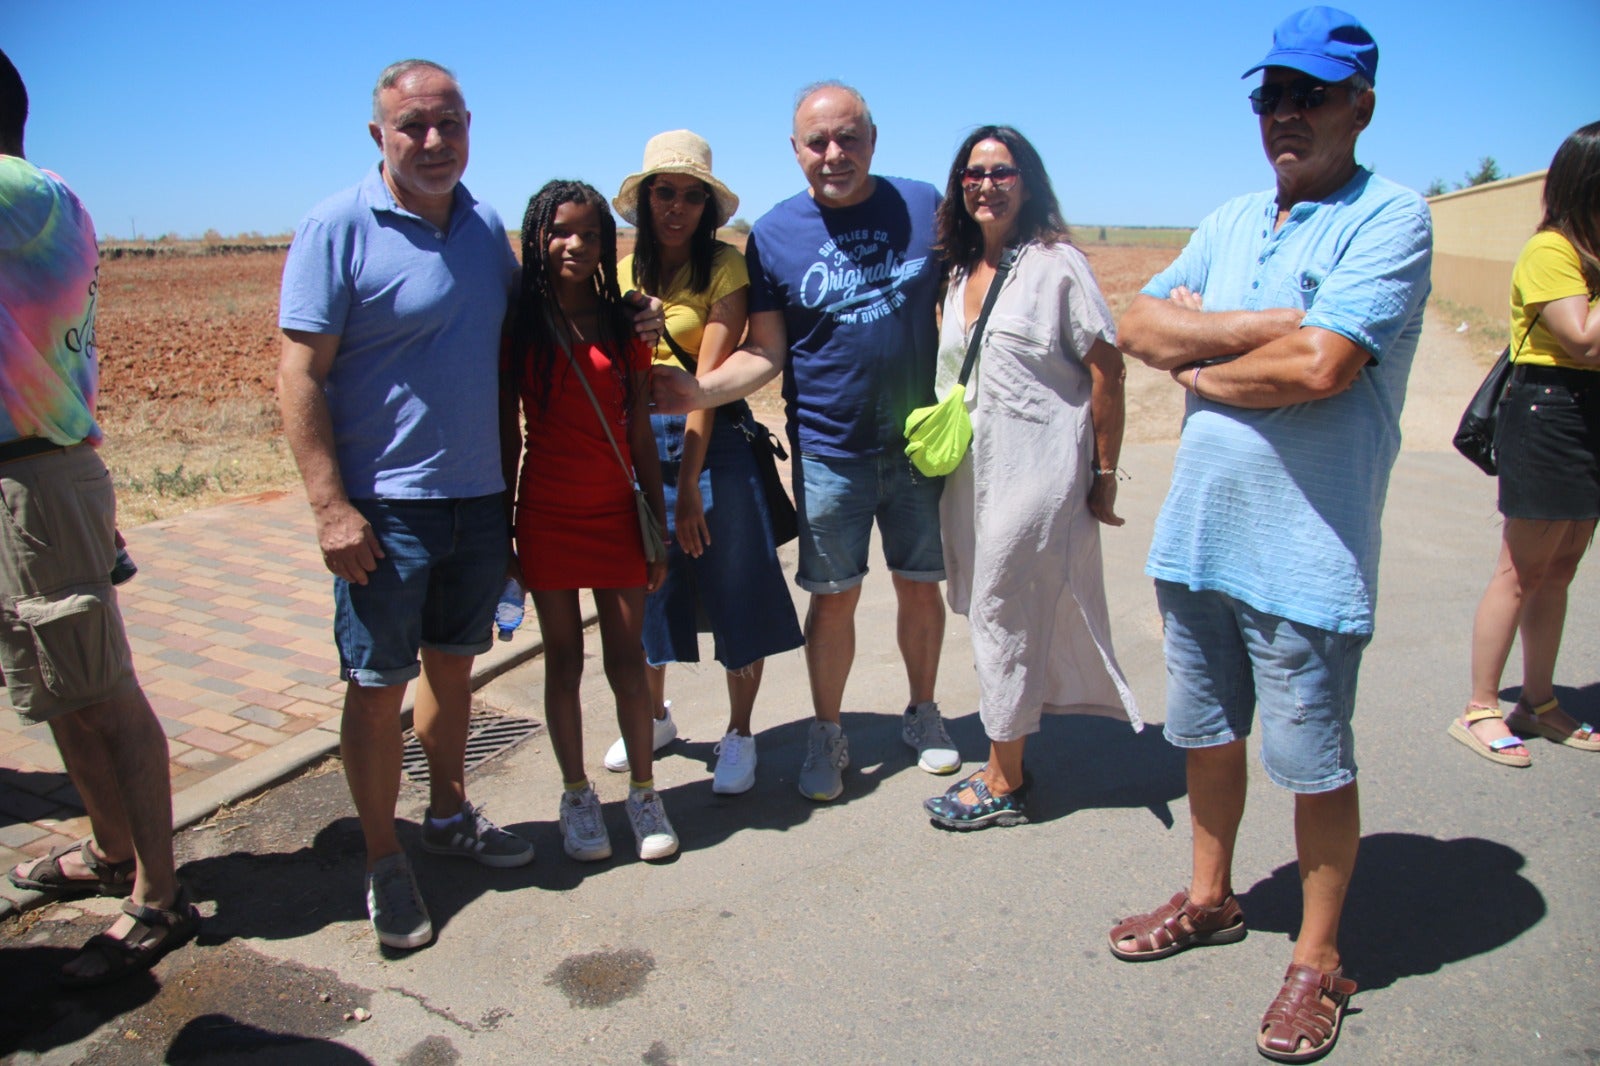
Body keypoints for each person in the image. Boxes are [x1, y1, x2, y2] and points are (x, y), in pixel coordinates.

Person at [1105, 9, 1431, 1063]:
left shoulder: (1390, 219)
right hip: (1197, 540)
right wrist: (1262, 326)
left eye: (1310, 95)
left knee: (1313, 764)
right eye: (1270, 96)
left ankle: (1317, 960)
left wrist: (1199, 367)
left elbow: (1322, 370)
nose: (1284, 115)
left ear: (1359, 105)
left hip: (1306, 555)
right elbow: (1137, 324)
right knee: (1205, 737)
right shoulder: (1236, 217)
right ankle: (1210, 898)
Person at [277, 59, 535, 951]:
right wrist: (328, 508)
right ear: (379, 134)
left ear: (470, 126)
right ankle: (385, 858)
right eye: (413, 126)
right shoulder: (336, 226)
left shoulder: (483, 225)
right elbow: (300, 375)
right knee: (377, 687)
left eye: (449, 124)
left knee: (454, 671)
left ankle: (450, 813)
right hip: (383, 511)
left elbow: (507, 365)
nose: (434, 142)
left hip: (476, 501)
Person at [651, 82, 957, 802]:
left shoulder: (922, 207)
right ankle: (827, 732)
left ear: (873, 139)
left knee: (920, 587)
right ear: (795, 151)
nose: (833, 154)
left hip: (916, 445)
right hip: (828, 448)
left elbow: (972, 292)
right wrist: (703, 390)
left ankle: (923, 712)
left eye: (848, 137)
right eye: (817, 142)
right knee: (834, 597)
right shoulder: (776, 234)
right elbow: (768, 352)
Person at [0, 46, 200, 986]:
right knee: (59, 686)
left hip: (36, 482)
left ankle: (159, 894)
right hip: (31, 478)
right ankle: (110, 848)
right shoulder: (48, 198)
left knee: (103, 689)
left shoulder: (20, 195)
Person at [919, 126, 1140, 831]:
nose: (986, 183)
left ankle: (1005, 778)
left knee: (1000, 610)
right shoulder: (957, 272)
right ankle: (1006, 755)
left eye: (1002, 171)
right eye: (973, 173)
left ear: (1028, 182)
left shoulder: (1058, 266)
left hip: (1036, 472)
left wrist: (1103, 473)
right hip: (971, 477)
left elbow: (1107, 368)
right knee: (993, 608)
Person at [601, 131, 804, 795]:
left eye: (692, 196)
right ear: (645, 198)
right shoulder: (622, 270)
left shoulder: (725, 267)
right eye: (665, 192)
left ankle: (740, 733)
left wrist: (687, 490)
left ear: (708, 207)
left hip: (709, 443)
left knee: (736, 586)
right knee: (649, 591)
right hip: (637, 445)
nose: (677, 207)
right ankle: (656, 717)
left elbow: (706, 385)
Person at [501, 179, 679, 862]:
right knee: (564, 660)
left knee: (628, 659)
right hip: (545, 512)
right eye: (560, 232)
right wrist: (504, 531)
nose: (575, 244)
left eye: (591, 233)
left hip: (614, 512)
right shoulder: (518, 324)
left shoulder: (624, 321)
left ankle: (642, 791)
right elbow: (505, 437)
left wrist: (656, 526)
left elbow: (640, 430)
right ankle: (577, 795)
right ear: (538, 239)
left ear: (608, 244)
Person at [1451, 121, 1600, 768]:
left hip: (1589, 413)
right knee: (1519, 571)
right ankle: (1480, 707)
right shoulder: (1551, 250)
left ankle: (1536, 703)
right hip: (1548, 411)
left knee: (1559, 570)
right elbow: (1584, 337)